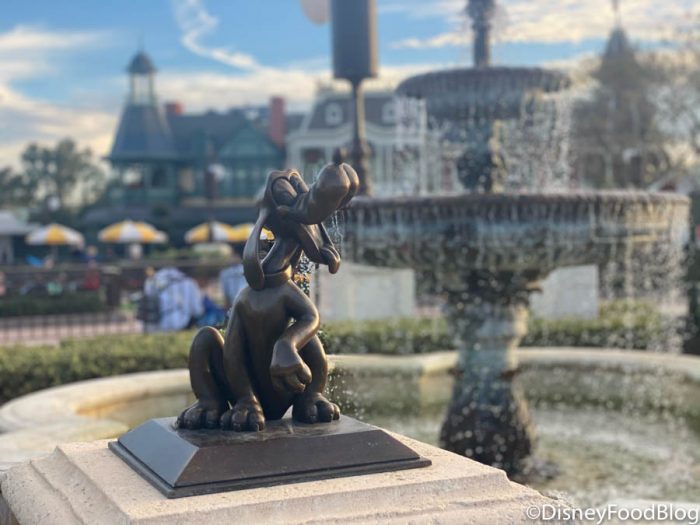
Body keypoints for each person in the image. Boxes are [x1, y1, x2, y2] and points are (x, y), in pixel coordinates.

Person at [140, 267, 204, 332]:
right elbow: (198, 311)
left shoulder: (153, 280)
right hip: (183, 326)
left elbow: (147, 302)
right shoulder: (190, 283)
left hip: (159, 327)